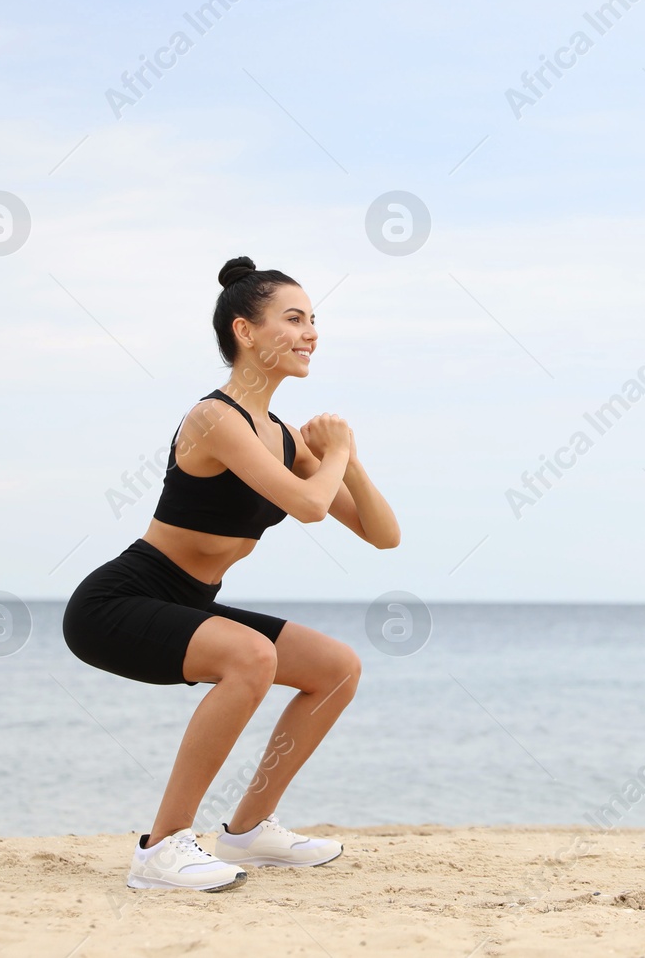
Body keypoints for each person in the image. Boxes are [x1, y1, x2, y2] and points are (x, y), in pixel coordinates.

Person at [63, 256, 399, 891]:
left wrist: (343, 460)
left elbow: (384, 536)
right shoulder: (216, 419)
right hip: (117, 602)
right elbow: (308, 506)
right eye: (294, 319)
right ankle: (160, 849)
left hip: (188, 603)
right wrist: (339, 452)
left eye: (313, 321)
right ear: (246, 332)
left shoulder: (284, 437)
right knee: (251, 657)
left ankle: (248, 831)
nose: (311, 334)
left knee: (336, 668)